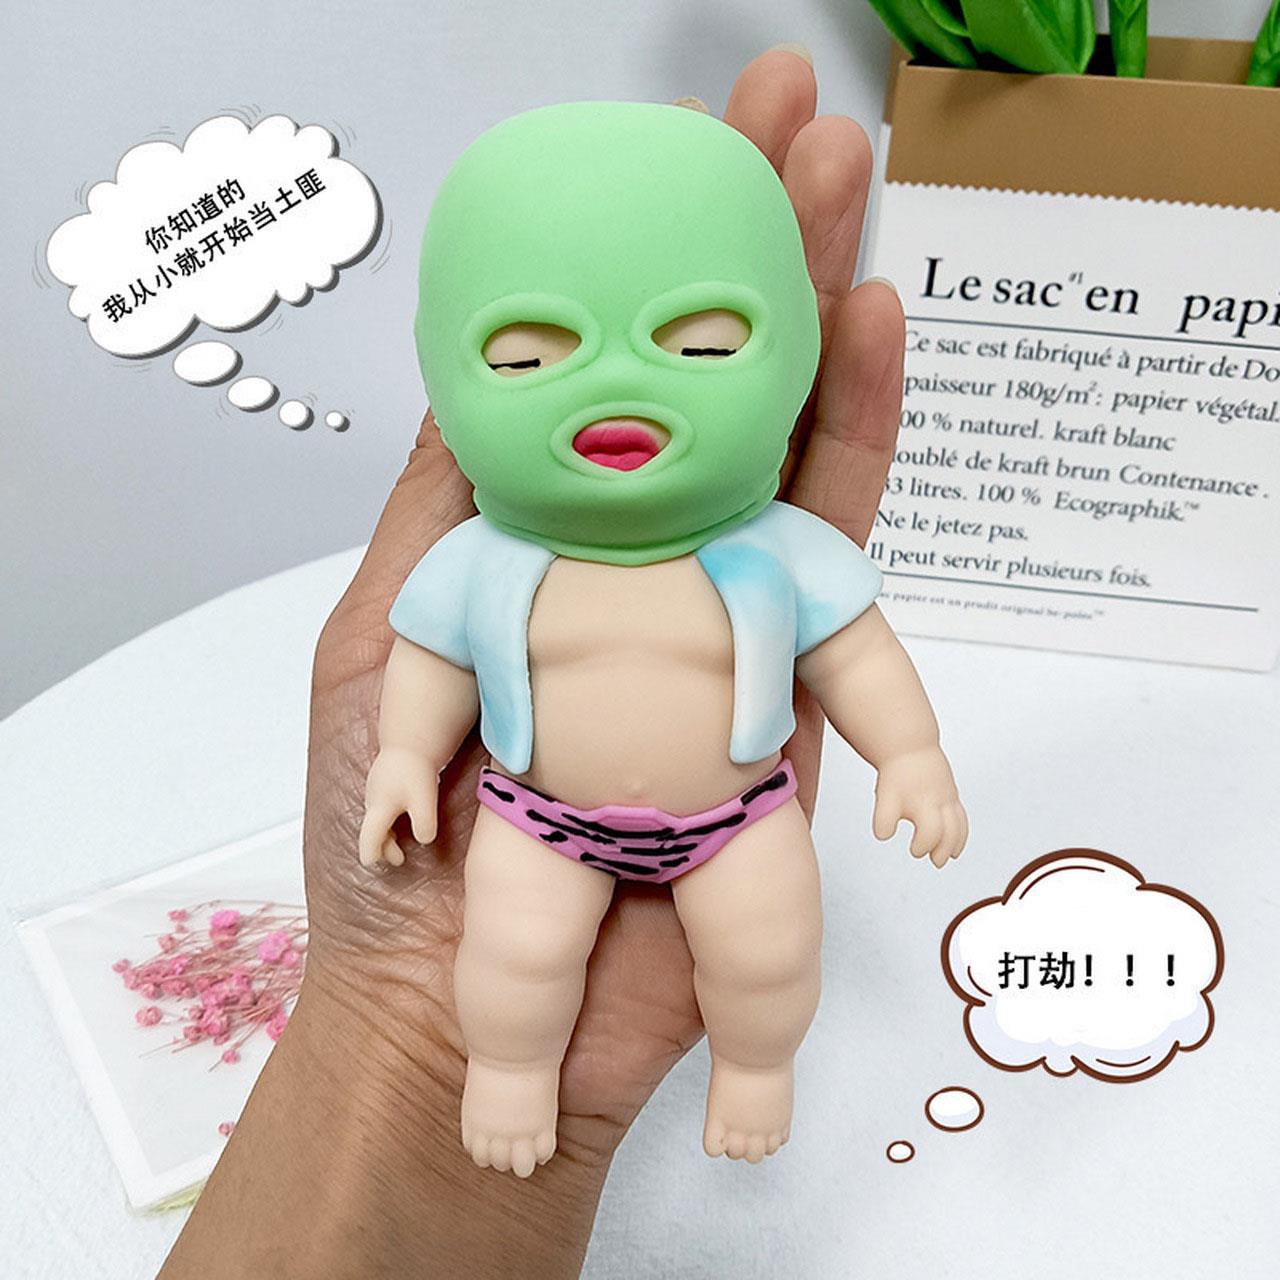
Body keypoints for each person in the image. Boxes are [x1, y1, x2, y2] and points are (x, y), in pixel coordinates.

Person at [160, 44, 910, 1279]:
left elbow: (855, 648)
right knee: (510, 966)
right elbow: (429, 661)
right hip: (535, 820)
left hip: (739, 819)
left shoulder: (778, 545)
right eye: (525, 356)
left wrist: (910, 753)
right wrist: (403, 757)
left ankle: (756, 1062)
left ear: (790, 359)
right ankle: (506, 1073)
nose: (616, 388)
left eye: (700, 345)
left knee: (768, 953)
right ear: (443, 377)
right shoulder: (485, 557)